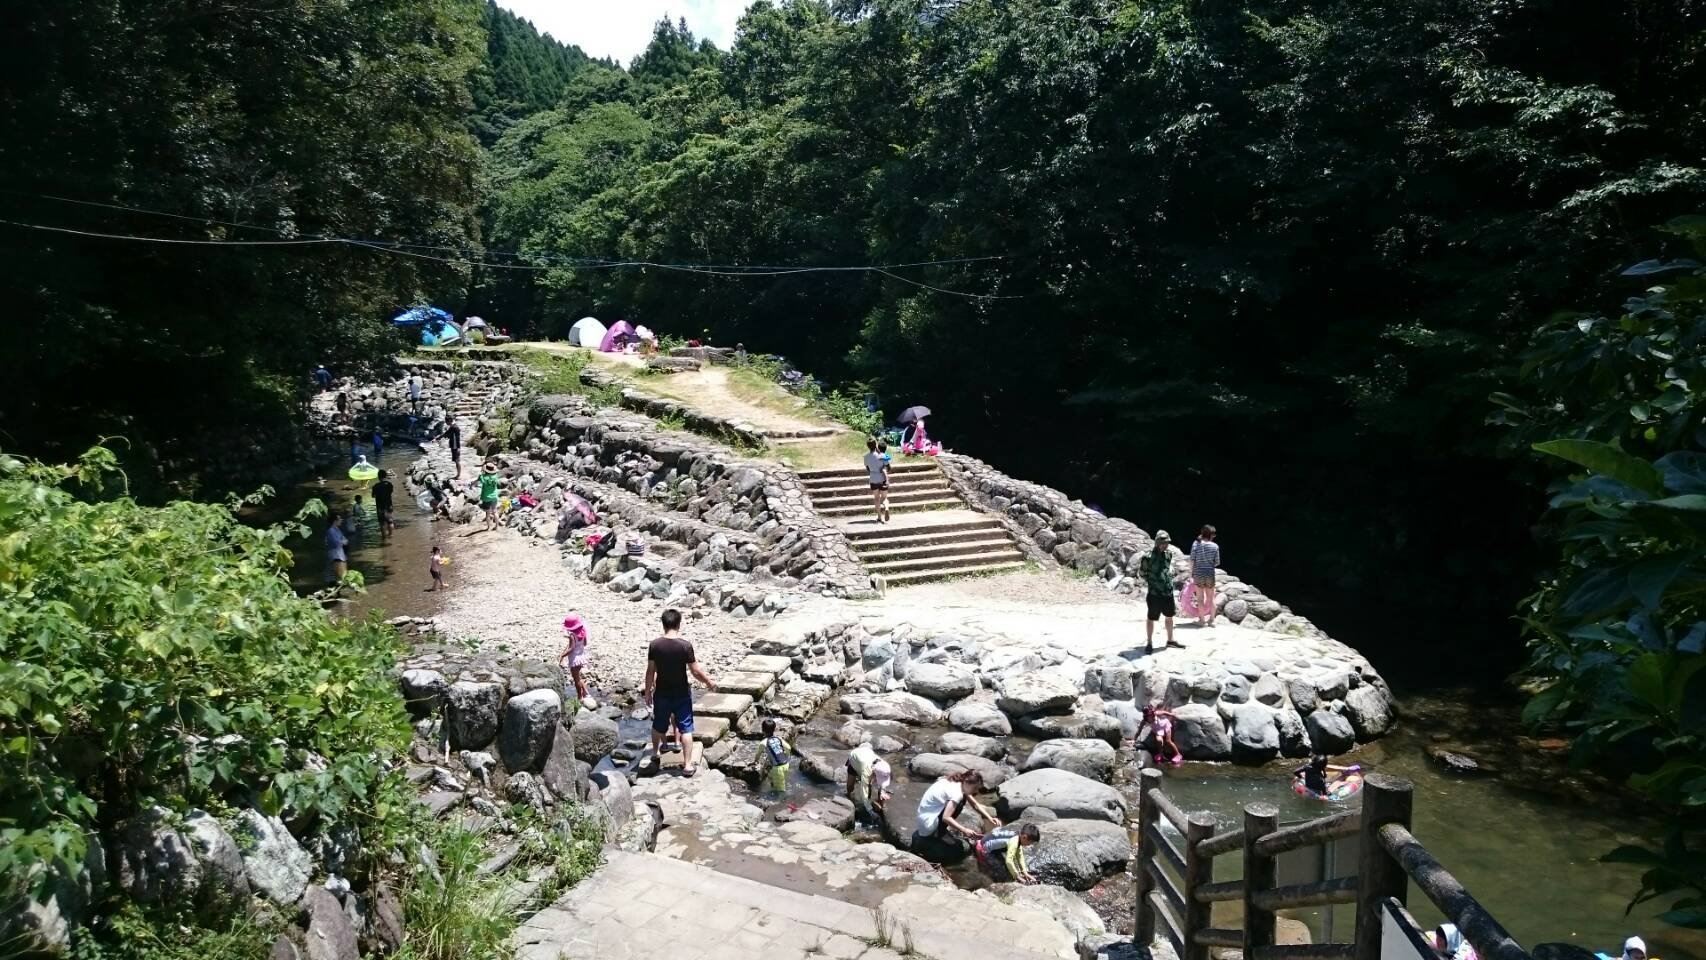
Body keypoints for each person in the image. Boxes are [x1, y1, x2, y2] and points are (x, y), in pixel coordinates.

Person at [643, 608, 717, 777]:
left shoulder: (655, 645)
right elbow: (695, 671)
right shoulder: (685, 646)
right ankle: (688, 765)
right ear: (679, 624)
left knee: (658, 725)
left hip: (661, 692)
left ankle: (655, 754)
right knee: (686, 729)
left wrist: (647, 692)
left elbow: (650, 672)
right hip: (682, 693)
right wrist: (709, 682)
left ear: (663, 624)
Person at [915, 770, 998, 842]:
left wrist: (989, 818)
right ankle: (939, 833)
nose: (976, 791)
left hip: (923, 816)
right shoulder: (957, 793)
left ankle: (940, 830)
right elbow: (946, 817)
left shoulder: (958, 781)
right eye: (975, 788)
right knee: (960, 804)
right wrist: (964, 830)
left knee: (962, 799)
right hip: (928, 825)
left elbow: (975, 804)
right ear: (966, 781)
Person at [1140, 530, 1180, 653]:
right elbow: (1142, 573)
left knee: (1169, 616)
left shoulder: (1168, 554)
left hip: (1167, 592)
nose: (1165, 545)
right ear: (1157, 542)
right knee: (1151, 618)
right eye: (1163, 543)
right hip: (1154, 593)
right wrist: (1154, 582)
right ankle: (1149, 642)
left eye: (1167, 542)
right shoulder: (1147, 557)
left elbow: (1167, 568)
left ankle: (1170, 640)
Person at [844, 741, 893, 824]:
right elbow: (864, 794)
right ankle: (848, 796)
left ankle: (875, 803)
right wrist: (871, 812)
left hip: (867, 755)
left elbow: (883, 779)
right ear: (874, 773)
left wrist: (882, 792)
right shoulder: (866, 772)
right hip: (855, 758)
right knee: (850, 786)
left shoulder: (884, 766)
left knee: (872, 786)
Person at [976, 822, 1040, 884]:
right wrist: (1017, 876)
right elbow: (1009, 860)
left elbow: (1019, 856)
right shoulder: (1014, 842)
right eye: (1030, 842)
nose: (1029, 845)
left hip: (989, 845)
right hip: (984, 850)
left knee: (1007, 868)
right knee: (1002, 872)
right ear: (1024, 837)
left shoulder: (1018, 836)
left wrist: (1025, 872)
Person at [558, 615, 593, 707]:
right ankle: (586, 693)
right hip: (581, 657)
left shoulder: (572, 635)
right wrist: (571, 639)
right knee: (578, 677)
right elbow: (584, 643)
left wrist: (563, 655)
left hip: (574, 660)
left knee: (576, 679)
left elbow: (571, 648)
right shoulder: (583, 631)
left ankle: (580, 696)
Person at [1188, 525, 1220, 626]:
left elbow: (1192, 560)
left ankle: (1202, 621)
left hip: (1198, 574)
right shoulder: (1215, 546)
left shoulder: (1196, 544)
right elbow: (1217, 562)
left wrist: (1190, 574)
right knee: (1211, 598)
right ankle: (1212, 620)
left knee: (1200, 598)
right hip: (1210, 574)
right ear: (1211, 535)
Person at [864, 436, 891, 524]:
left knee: (876, 498)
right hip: (882, 478)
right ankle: (886, 508)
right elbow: (888, 467)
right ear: (875, 445)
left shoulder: (866, 457)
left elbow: (867, 469)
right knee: (884, 497)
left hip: (873, 478)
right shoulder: (882, 455)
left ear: (868, 446)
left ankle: (879, 517)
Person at [761, 718, 790, 794]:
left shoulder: (764, 742)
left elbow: (758, 754)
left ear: (762, 730)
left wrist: (755, 761)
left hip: (778, 768)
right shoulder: (778, 738)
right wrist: (786, 756)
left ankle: (785, 802)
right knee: (773, 779)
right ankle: (774, 787)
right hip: (786, 764)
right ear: (774, 729)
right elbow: (789, 748)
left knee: (781, 790)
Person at [474, 462, 501, 532]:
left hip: (486, 497)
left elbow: (476, 482)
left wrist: (471, 485)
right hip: (494, 496)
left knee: (488, 513)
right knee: (495, 511)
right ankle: (497, 527)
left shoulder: (482, 477)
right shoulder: (495, 476)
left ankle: (489, 527)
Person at [325, 511, 349, 584]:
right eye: (339, 519)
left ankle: (338, 592)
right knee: (340, 577)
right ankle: (336, 592)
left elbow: (345, 540)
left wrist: (343, 541)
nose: (341, 520)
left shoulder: (338, 530)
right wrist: (343, 542)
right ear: (335, 521)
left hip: (340, 554)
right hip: (336, 555)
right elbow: (337, 543)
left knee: (343, 576)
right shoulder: (331, 531)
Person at [372, 470, 396, 538]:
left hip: (380, 507)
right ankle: (391, 535)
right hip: (389, 506)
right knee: (390, 522)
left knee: (382, 523)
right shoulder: (389, 484)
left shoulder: (376, 486)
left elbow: (373, 496)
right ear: (385, 476)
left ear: (378, 477)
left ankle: (384, 537)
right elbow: (391, 492)